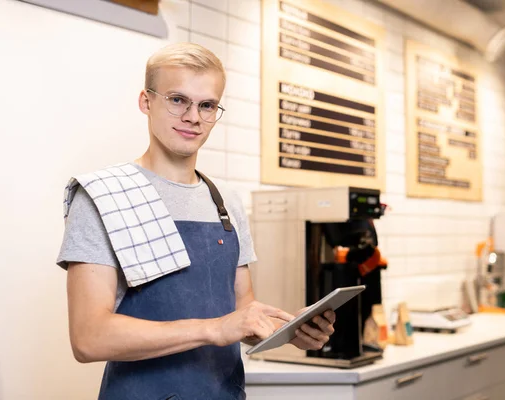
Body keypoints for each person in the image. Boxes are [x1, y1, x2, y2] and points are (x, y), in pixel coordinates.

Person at [56, 42, 336, 400]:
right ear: (146, 101)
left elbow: (240, 314)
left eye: (206, 105)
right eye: (177, 100)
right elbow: (88, 338)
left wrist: (286, 330)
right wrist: (214, 329)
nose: (193, 117)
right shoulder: (102, 196)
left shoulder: (226, 203)